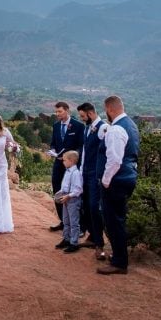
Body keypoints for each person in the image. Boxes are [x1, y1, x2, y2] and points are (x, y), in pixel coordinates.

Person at [97, 95, 140, 275]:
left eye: (106, 110)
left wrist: (106, 181)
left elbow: (114, 160)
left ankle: (119, 263)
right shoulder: (131, 125)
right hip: (128, 177)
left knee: (113, 221)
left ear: (110, 109)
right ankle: (118, 255)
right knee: (118, 219)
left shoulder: (116, 130)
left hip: (116, 180)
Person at [46, 102, 84, 232]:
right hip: (58, 164)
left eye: (60, 112)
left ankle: (79, 226)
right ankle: (63, 221)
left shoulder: (78, 126)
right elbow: (53, 143)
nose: (57, 114)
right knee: (58, 191)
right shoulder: (56, 126)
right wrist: (52, 151)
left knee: (73, 194)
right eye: (56, 112)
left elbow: (81, 146)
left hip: (73, 167)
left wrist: (73, 156)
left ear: (67, 111)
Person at [76, 102, 106, 252]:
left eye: (83, 116)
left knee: (94, 207)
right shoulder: (88, 128)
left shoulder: (102, 128)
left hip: (95, 174)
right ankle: (92, 236)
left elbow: (106, 153)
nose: (81, 119)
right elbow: (85, 153)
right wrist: (81, 172)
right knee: (86, 205)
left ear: (91, 113)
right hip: (85, 172)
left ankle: (99, 242)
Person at [54, 150, 83, 253]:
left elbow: (78, 189)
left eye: (64, 160)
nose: (63, 162)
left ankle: (74, 243)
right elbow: (65, 185)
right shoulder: (67, 171)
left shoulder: (76, 173)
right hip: (66, 198)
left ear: (71, 161)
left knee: (74, 222)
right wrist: (60, 193)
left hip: (73, 200)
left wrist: (68, 196)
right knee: (66, 220)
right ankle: (66, 238)